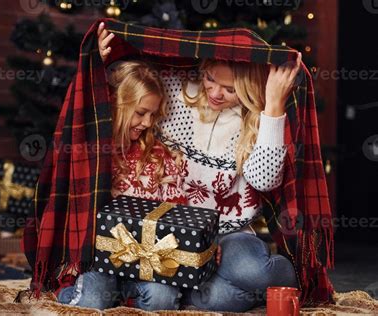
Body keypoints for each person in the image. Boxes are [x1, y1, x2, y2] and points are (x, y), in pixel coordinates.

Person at [98, 21, 301, 312]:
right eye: (210, 79)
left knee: (253, 272)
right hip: (178, 233)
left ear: (248, 87)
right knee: (214, 299)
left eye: (229, 88)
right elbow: (128, 86)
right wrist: (99, 61)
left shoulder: (254, 121)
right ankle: (223, 287)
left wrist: (273, 106)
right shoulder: (176, 91)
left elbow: (266, 180)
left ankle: (282, 279)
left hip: (229, 234)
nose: (216, 93)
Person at [57, 26, 187, 310]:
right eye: (140, 113)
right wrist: (95, 63)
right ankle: (78, 297)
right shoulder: (94, 151)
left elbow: (175, 213)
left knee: (163, 297)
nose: (147, 122)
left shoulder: (159, 158)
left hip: (146, 259)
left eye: (153, 115)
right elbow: (79, 108)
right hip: (100, 258)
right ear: (115, 103)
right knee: (92, 299)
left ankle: (125, 300)